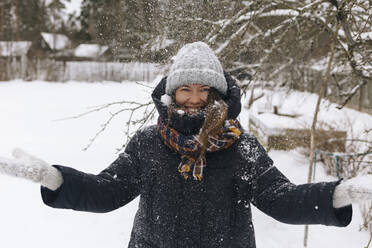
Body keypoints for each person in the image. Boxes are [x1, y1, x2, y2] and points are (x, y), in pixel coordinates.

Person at [0, 41, 371, 248]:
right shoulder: (148, 143)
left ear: (218, 94)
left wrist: (338, 194)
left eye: (204, 90)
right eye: (185, 89)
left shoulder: (241, 147)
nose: (194, 99)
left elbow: (282, 199)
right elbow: (107, 192)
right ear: (172, 92)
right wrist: (56, 180)